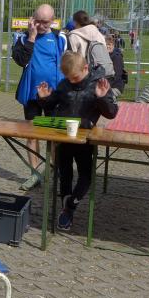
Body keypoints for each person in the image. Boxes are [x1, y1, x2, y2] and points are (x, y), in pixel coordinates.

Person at [37, 52, 118, 230]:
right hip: (64, 137)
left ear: (86, 68)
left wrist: (101, 97)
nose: (72, 81)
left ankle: (70, 205)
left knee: (86, 175)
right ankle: (66, 210)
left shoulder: (99, 84)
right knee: (64, 173)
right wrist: (44, 98)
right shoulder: (64, 84)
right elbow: (51, 105)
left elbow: (111, 113)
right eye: (68, 78)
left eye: (75, 77)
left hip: (85, 140)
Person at [11, 4, 67, 191]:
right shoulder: (22, 38)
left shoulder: (60, 39)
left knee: (54, 136)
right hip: (31, 95)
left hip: (53, 96)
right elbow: (21, 61)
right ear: (32, 19)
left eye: (46, 22)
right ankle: (34, 173)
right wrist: (32, 37)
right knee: (32, 134)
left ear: (53, 21)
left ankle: (55, 172)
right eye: (39, 21)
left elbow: (69, 63)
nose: (42, 25)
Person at [67, 10, 113, 77]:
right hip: (101, 71)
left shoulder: (74, 36)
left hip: (83, 73)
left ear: (75, 22)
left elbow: (72, 58)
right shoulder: (99, 34)